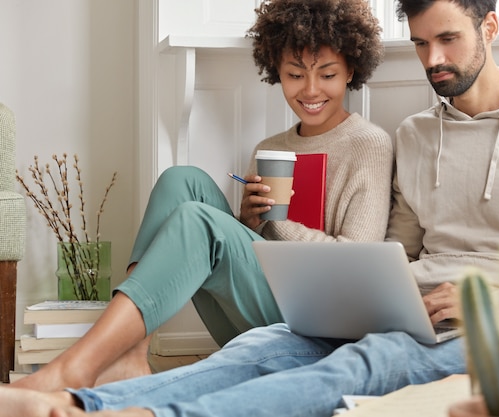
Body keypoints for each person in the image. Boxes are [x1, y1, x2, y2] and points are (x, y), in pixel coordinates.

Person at [1, 0, 499, 416]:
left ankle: (90, 397)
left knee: (335, 364)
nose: (431, 57)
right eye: (420, 42)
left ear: (490, 27)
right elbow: (399, 253)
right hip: (407, 307)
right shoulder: (419, 134)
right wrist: (372, 289)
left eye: (448, 39)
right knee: (257, 338)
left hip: (488, 315)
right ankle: (90, 392)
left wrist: (495, 299)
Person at [12, 0, 393, 393]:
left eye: (327, 74)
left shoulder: (369, 144)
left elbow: (356, 265)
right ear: (276, 71)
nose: (310, 90)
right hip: (265, 314)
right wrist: (250, 222)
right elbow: (255, 257)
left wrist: (276, 222)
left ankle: (74, 367)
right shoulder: (271, 146)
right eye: (295, 74)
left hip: (322, 332)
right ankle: (130, 353)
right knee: (182, 180)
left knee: (199, 220)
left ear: (350, 69)